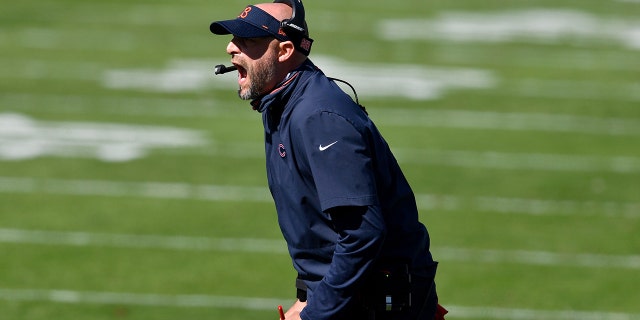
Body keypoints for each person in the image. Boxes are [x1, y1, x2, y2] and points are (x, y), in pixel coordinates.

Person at [209, 1, 446, 319]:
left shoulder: (318, 117)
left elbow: (362, 234)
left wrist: (316, 312)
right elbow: (324, 236)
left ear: (284, 51)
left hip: (378, 305)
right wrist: (308, 294)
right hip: (351, 297)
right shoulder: (279, 102)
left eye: (247, 42)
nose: (230, 48)